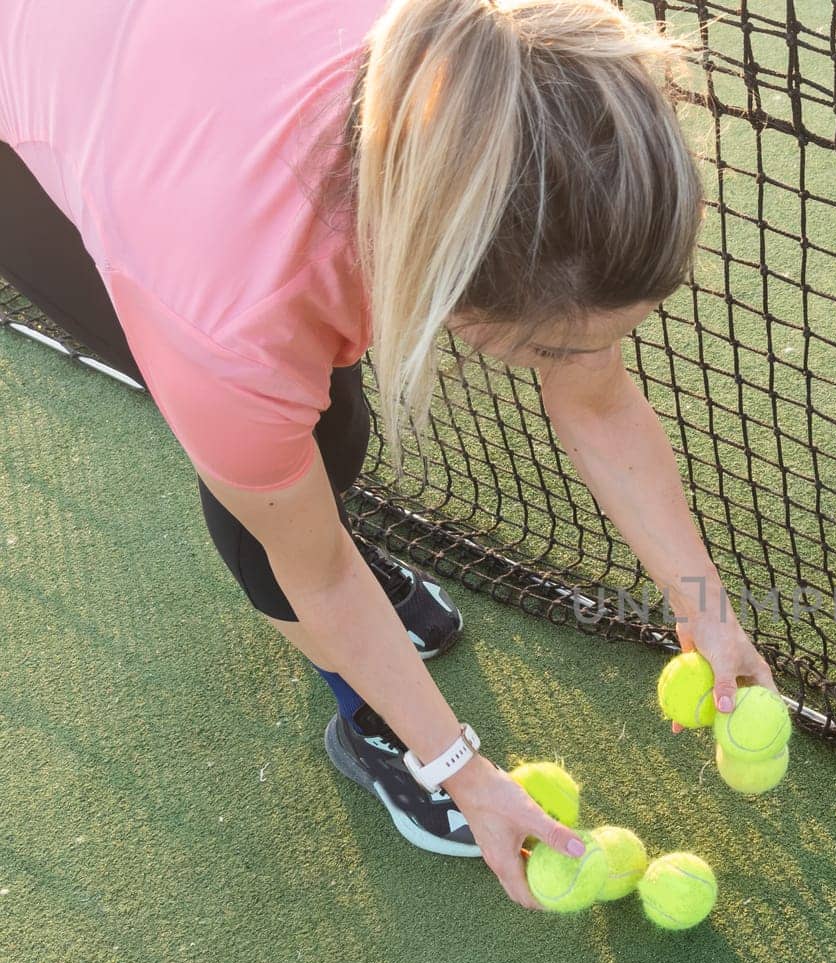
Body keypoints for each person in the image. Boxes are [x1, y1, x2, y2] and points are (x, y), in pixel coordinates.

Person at [0, 0, 775, 908]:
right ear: (451, 290)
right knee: (298, 460)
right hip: (48, 96)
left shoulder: (522, 92)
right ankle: (372, 722)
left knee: (324, 427)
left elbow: (599, 403)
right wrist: (461, 771)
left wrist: (707, 611)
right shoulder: (229, 327)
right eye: (552, 350)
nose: (582, 364)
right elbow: (317, 577)